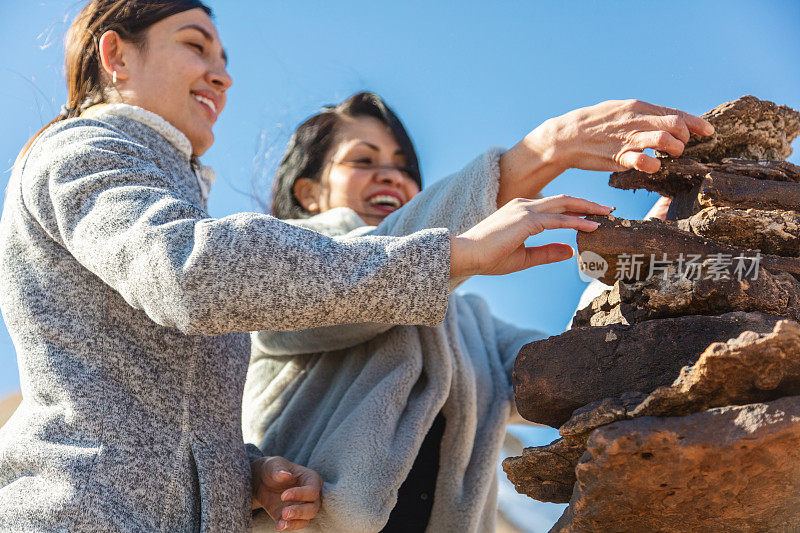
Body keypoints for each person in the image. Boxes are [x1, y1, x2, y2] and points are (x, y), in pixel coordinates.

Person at [0, 3, 602, 532]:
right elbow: (196, 275)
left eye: (404, 165)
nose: (222, 73)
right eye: (194, 44)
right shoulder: (87, 150)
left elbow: (168, 418)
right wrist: (470, 233)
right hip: (81, 511)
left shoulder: (462, 316)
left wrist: (249, 472)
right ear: (116, 54)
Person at [243, 93, 713, 532]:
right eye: (363, 161)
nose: (391, 176)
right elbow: (367, 273)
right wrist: (548, 147)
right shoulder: (279, 273)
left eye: (405, 168)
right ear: (307, 192)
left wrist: (628, 273)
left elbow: (572, 372)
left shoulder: (470, 325)